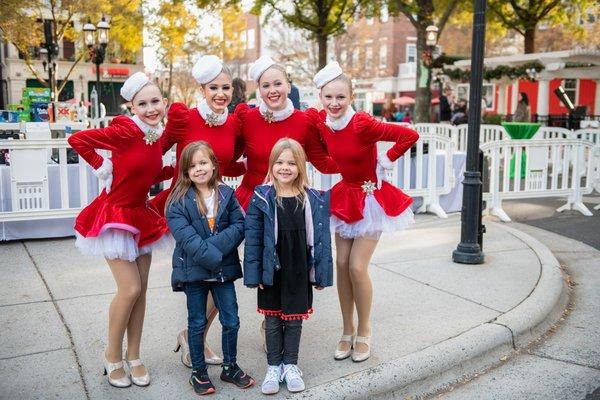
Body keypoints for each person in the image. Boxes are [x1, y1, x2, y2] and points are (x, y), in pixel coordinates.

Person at [307, 62, 418, 363]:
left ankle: (365, 331)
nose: (334, 103)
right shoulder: (321, 121)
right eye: (328, 97)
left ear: (351, 96)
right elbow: (324, 154)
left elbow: (409, 136)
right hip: (346, 195)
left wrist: (388, 157)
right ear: (320, 96)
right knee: (341, 264)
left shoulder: (362, 124)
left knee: (357, 266)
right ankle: (347, 330)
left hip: (371, 198)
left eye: (340, 97)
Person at [67, 72, 173, 388]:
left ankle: (135, 355)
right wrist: (102, 166)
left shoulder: (154, 134)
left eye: (155, 102)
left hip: (141, 215)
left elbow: (149, 172)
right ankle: (112, 355)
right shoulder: (126, 130)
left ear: (164, 102)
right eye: (143, 104)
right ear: (132, 106)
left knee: (140, 292)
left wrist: (179, 169)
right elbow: (78, 139)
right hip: (115, 216)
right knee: (129, 289)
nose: (151, 108)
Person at [151, 55, 246, 368]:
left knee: (219, 274)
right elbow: (158, 149)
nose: (221, 93)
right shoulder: (186, 118)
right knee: (202, 277)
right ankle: (195, 339)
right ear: (202, 89)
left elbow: (225, 161)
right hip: (187, 207)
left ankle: (192, 337)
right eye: (214, 87)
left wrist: (255, 167)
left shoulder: (233, 121)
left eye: (226, 87)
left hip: (217, 205)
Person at [244, 138, 333, 394]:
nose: (285, 167)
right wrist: (254, 272)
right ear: (271, 165)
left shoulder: (313, 198)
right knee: (272, 320)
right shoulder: (261, 196)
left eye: (292, 163)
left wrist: (321, 274)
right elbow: (253, 238)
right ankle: (273, 366)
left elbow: (322, 239)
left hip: (299, 267)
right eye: (280, 162)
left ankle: (290, 365)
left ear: (301, 167)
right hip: (272, 267)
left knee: (294, 320)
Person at [166, 141, 255, 396]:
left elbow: (240, 226)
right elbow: (188, 240)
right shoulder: (177, 202)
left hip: (223, 272)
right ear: (185, 172)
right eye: (192, 166)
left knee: (232, 320)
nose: (199, 169)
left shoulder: (227, 194)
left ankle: (230, 366)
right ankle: (199, 372)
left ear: (214, 165)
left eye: (203, 163)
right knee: (196, 323)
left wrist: (212, 251)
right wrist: (216, 253)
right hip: (193, 274)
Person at [234, 55, 338, 211]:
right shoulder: (247, 119)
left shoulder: (304, 121)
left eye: (278, 84)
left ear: (289, 87)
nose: (272, 90)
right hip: (252, 201)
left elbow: (322, 162)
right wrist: (243, 167)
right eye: (266, 86)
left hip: (291, 204)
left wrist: (359, 164)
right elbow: (228, 158)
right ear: (259, 91)